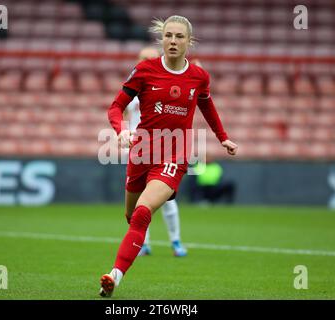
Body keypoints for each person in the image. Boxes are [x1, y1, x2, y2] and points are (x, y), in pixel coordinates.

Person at [100, 15, 238, 298]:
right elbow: (116, 106)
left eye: (179, 37)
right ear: (161, 39)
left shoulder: (199, 77)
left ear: (189, 41)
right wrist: (120, 130)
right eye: (168, 36)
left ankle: (114, 276)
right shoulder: (144, 70)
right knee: (131, 215)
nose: (173, 41)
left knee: (141, 213)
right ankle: (148, 233)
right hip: (141, 152)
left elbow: (208, 108)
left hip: (174, 153)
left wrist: (222, 137)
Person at [124, 46, 187, 258]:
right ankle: (143, 243)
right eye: (142, 57)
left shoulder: (163, 87)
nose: (145, 61)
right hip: (138, 148)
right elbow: (123, 114)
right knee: (141, 199)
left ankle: (175, 241)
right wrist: (123, 134)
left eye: (149, 58)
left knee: (167, 197)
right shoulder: (133, 88)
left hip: (164, 147)